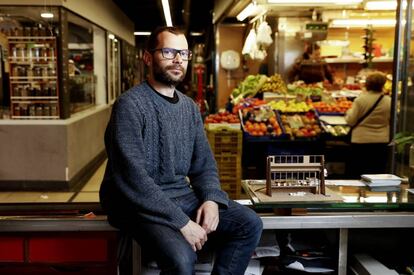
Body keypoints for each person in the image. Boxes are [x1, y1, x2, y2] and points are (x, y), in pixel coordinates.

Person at [99, 26, 263, 274]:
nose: (178, 60)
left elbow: (204, 165)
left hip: (179, 196)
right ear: (147, 57)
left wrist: (211, 199)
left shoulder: (189, 107)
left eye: (184, 54)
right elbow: (133, 179)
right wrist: (182, 222)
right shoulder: (130, 105)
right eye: (168, 52)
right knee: (182, 258)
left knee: (249, 224)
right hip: (137, 204)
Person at [345, 71, 391, 178]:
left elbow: (351, 121)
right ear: (383, 84)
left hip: (360, 141)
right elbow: (393, 120)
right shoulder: (389, 101)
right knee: (377, 173)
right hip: (381, 141)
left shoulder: (361, 100)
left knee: (358, 172)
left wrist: (347, 113)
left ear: (367, 84)